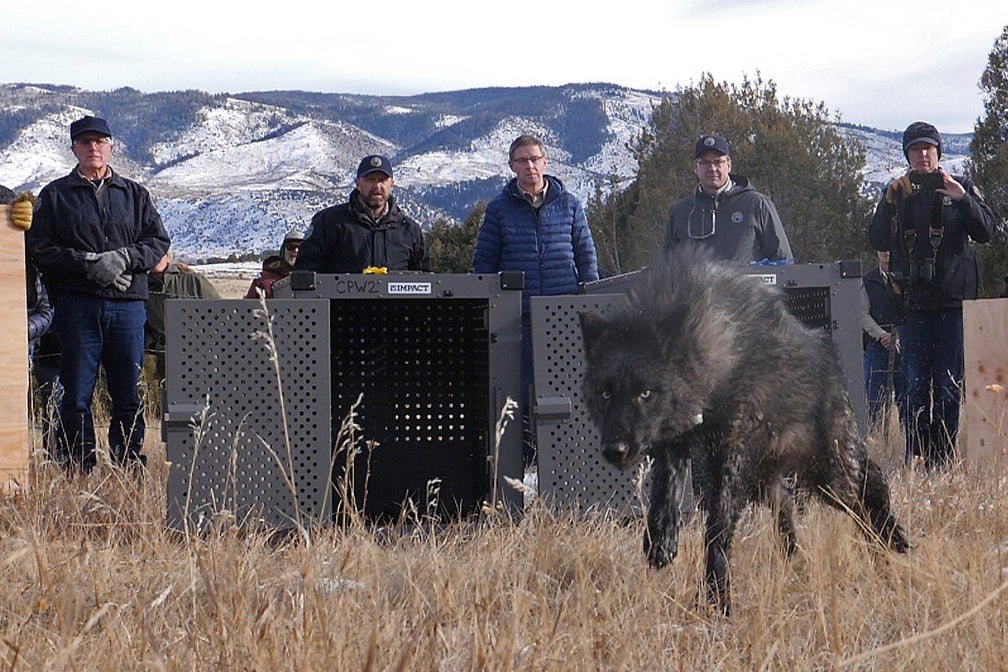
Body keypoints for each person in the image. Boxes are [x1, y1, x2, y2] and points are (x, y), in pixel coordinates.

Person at [26, 115, 171, 473]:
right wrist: (86, 262)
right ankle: (78, 465)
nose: (93, 147)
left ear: (111, 146)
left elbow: (158, 243)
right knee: (76, 393)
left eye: (100, 141)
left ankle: (129, 465)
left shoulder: (135, 194)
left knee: (128, 394)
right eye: (85, 142)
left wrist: (122, 259)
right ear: (74, 148)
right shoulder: (56, 195)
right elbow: (39, 247)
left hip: (127, 309)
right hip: (78, 307)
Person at [868, 121, 995, 468]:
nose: (923, 155)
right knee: (913, 387)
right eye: (915, 149)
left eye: (929, 148)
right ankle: (916, 456)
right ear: (907, 155)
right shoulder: (896, 192)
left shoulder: (961, 187)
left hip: (953, 305)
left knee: (949, 387)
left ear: (939, 153)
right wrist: (889, 204)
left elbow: (987, 231)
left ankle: (943, 459)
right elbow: (877, 240)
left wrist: (962, 199)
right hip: (912, 306)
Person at [472, 134, 600, 463]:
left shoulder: (569, 204)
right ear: (512, 166)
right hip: (520, 317)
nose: (529, 166)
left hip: (565, 315)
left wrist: (590, 305)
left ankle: (569, 458)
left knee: (569, 388)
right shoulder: (499, 210)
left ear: (545, 162)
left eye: (535, 159)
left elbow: (586, 257)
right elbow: (484, 265)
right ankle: (527, 460)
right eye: (521, 161)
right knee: (524, 391)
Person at [665, 134, 793, 263]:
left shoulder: (756, 204)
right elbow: (668, 265)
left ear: (729, 165)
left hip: (744, 283)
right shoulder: (679, 212)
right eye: (705, 163)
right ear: (695, 168)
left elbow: (783, 261)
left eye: (718, 162)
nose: (712, 169)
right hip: (695, 283)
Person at [294, 155, 428, 273]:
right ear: (358, 184)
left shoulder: (409, 230)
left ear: (392, 184)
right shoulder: (329, 221)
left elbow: (425, 279)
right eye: (370, 179)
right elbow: (306, 268)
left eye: (382, 180)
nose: (377, 185)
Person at [146, 251, 221, 378]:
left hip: (202, 357)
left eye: (160, 253)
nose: (155, 257)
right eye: (150, 252)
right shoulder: (141, 287)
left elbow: (221, 315)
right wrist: (154, 345)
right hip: (162, 359)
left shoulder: (193, 281)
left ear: (168, 256)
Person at [861, 250, 906, 432]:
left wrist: (900, 336)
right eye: (882, 252)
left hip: (904, 345)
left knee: (907, 398)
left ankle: (908, 442)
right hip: (877, 345)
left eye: (889, 252)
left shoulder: (905, 277)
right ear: (877, 254)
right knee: (875, 400)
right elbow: (862, 314)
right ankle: (876, 443)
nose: (887, 256)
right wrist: (882, 335)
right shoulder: (867, 280)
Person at [245, 228, 304, 298]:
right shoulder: (263, 280)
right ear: (283, 251)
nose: (296, 250)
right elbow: (249, 307)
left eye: (301, 247)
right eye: (291, 246)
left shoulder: (316, 277)